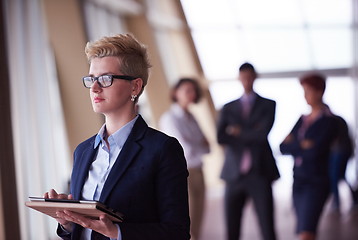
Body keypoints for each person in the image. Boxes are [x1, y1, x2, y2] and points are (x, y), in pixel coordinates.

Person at [43, 33, 190, 240]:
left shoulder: (162, 149)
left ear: (135, 86)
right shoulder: (83, 151)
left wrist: (117, 233)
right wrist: (68, 222)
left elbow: (177, 232)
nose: (94, 87)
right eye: (91, 79)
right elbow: (83, 231)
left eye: (105, 78)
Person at [217, 62, 279, 240]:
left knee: (267, 227)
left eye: (249, 77)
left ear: (255, 77)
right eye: (243, 77)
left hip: (259, 172)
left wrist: (237, 131)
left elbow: (262, 135)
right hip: (233, 173)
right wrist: (252, 131)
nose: (246, 81)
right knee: (231, 229)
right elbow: (221, 137)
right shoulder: (228, 108)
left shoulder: (268, 104)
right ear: (239, 78)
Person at [280, 73, 337, 240]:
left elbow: (315, 151)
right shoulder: (302, 119)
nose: (305, 95)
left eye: (308, 91)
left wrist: (295, 143)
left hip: (316, 181)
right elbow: (282, 147)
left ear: (319, 92)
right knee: (304, 230)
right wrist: (303, 144)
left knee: (307, 231)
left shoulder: (329, 121)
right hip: (299, 180)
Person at [159, 78, 210, 240]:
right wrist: (197, 144)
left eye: (193, 90)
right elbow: (184, 150)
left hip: (198, 170)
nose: (191, 94)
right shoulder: (170, 118)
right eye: (187, 90)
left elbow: (208, 146)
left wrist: (195, 143)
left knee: (199, 217)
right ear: (176, 92)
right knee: (187, 219)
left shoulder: (192, 117)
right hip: (183, 173)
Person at [327, 113, 354, 212]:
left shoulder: (332, 121)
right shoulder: (338, 119)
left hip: (339, 151)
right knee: (342, 176)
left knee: (334, 176)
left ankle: (336, 203)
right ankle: (355, 199)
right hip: (343, 151)